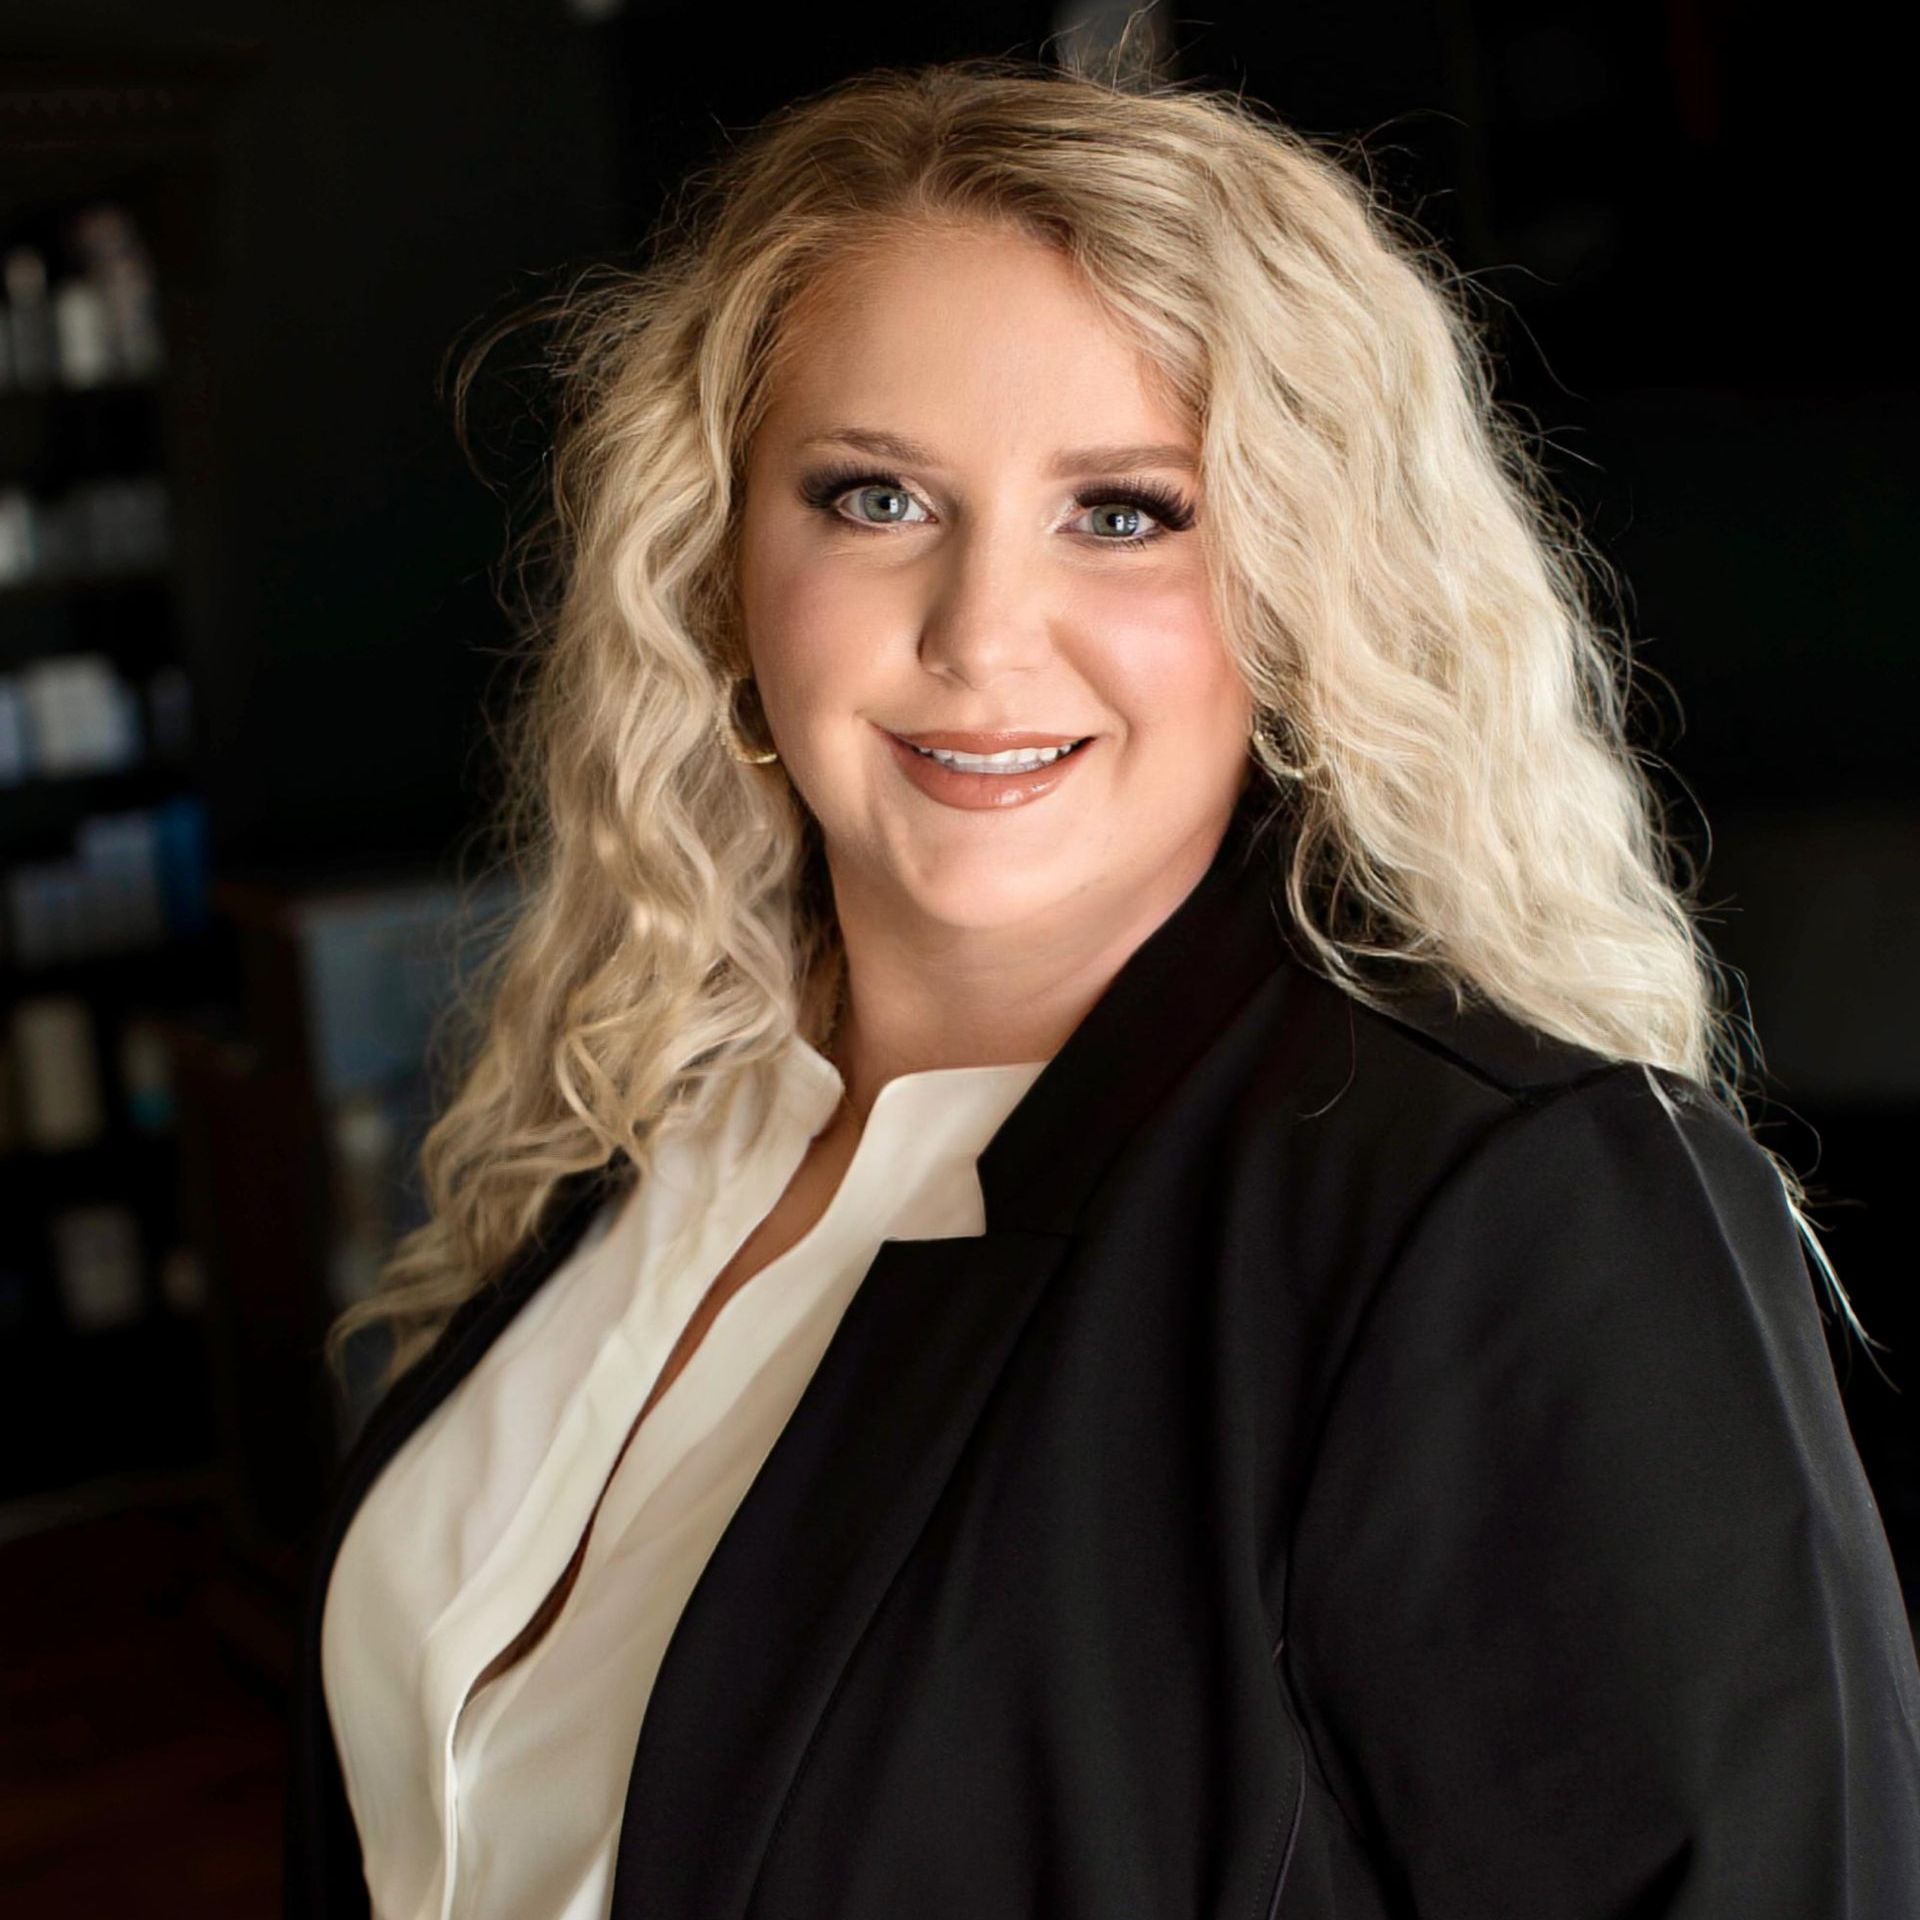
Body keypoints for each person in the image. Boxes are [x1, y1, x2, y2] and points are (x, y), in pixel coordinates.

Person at [284, 55, 1920, 1920]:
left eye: (1126, 513)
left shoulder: (1510, 1205)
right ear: (721, 566)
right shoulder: (648, 1106)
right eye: (876, 497)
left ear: (1310, 585)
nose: (980, 635)